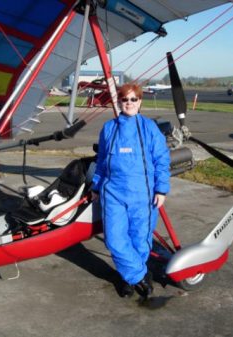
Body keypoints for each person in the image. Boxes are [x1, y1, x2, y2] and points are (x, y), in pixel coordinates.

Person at [90, 83, 171, 298]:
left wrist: (161, 189)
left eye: (134, 99)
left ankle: (126, 278)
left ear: (140, 101)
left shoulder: (149, 128)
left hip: (142, 194)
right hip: (113, 193)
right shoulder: (109, 128)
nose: (129, 103)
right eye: (125, 99)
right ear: (119, 103)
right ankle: (139, 276)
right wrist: (97, 186)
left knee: (139, 240)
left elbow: (162, 160)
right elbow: (101, 162)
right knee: (114, 239)